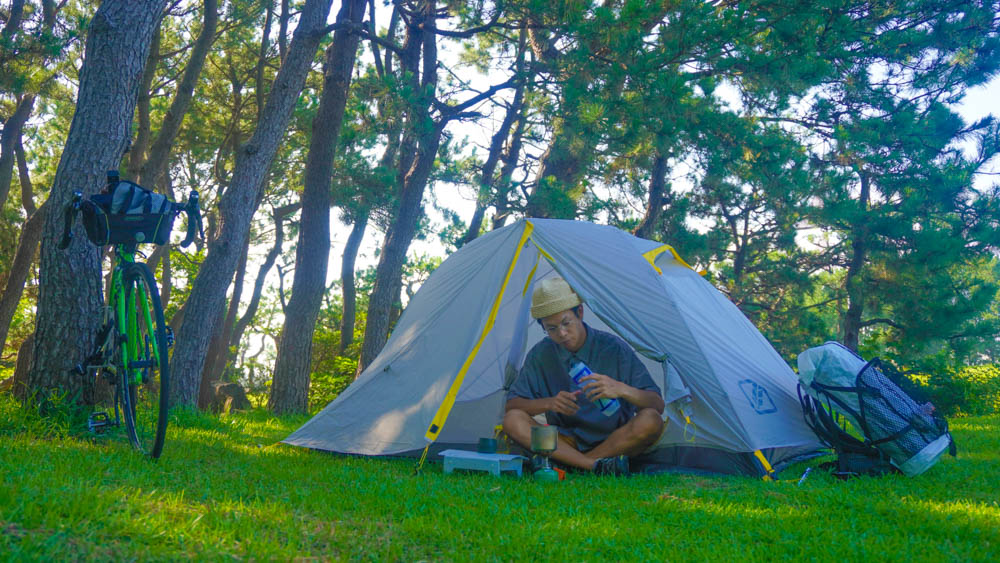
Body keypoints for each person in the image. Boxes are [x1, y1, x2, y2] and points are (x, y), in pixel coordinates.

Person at [503, 277, 665, 476]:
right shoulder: (541, 354)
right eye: (551, 329)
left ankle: (575, 466)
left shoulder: (613, 348)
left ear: (579, 313)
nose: (562, 333)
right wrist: (549, 403)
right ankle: (592, 466)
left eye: (566, 323)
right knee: (513, 419)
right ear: (543, 327)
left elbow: (657, 404)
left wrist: (621, 389)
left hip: (615, 439)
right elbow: (512, 406)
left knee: (651, 420)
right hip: (566, 441)